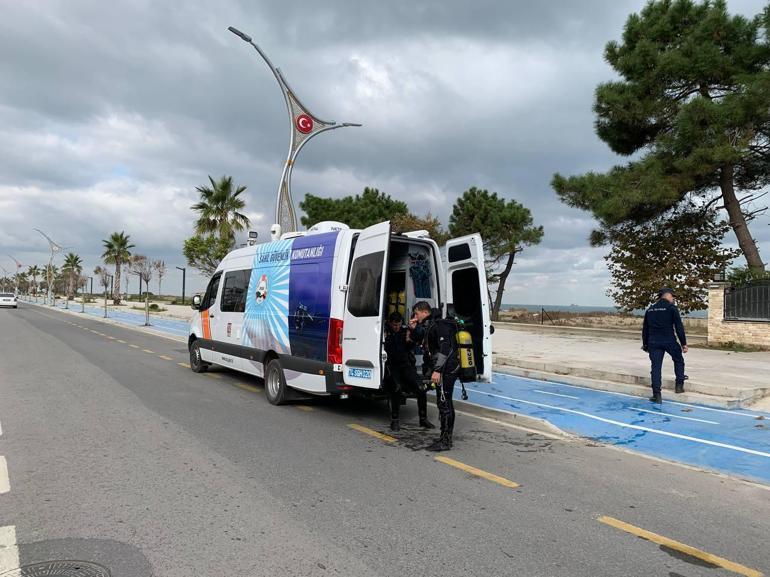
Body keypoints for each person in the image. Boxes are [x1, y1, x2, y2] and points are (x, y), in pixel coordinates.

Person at [411, 301, 459, 452]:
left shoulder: (439, 325)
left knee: (444, 404)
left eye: (416, 314)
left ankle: (445, 441)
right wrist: (413, 328)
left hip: (447, 369)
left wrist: (437, 370)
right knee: (444, 403)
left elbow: (445, 348)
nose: (415, 316)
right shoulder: (430, 324)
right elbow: (422, 340)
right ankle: (444, 437)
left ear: (423, 311)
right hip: (446, 368)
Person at [384, 311, 434, 432]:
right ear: (390, 323)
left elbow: (414, 344)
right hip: (391, 366)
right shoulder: (384, 332)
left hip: (405, 365)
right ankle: (395, 420)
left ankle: (423, 419)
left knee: (422, 388)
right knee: (396, 388)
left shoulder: (404, 331)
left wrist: (409, 337)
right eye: (394, 325)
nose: (397, 327)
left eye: (399, 324)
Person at [642, 287, 688, 404]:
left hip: (654, 342)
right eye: (673, 297)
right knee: (678, 360)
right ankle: (679, 386)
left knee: (656, 367)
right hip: (669, 341)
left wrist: (645, 344)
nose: (673, 299)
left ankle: (657, 395)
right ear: (667, 296)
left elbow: (645, 329)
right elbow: (679, 327)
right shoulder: (671, 308)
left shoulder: (650, 310)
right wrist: (683, 344)